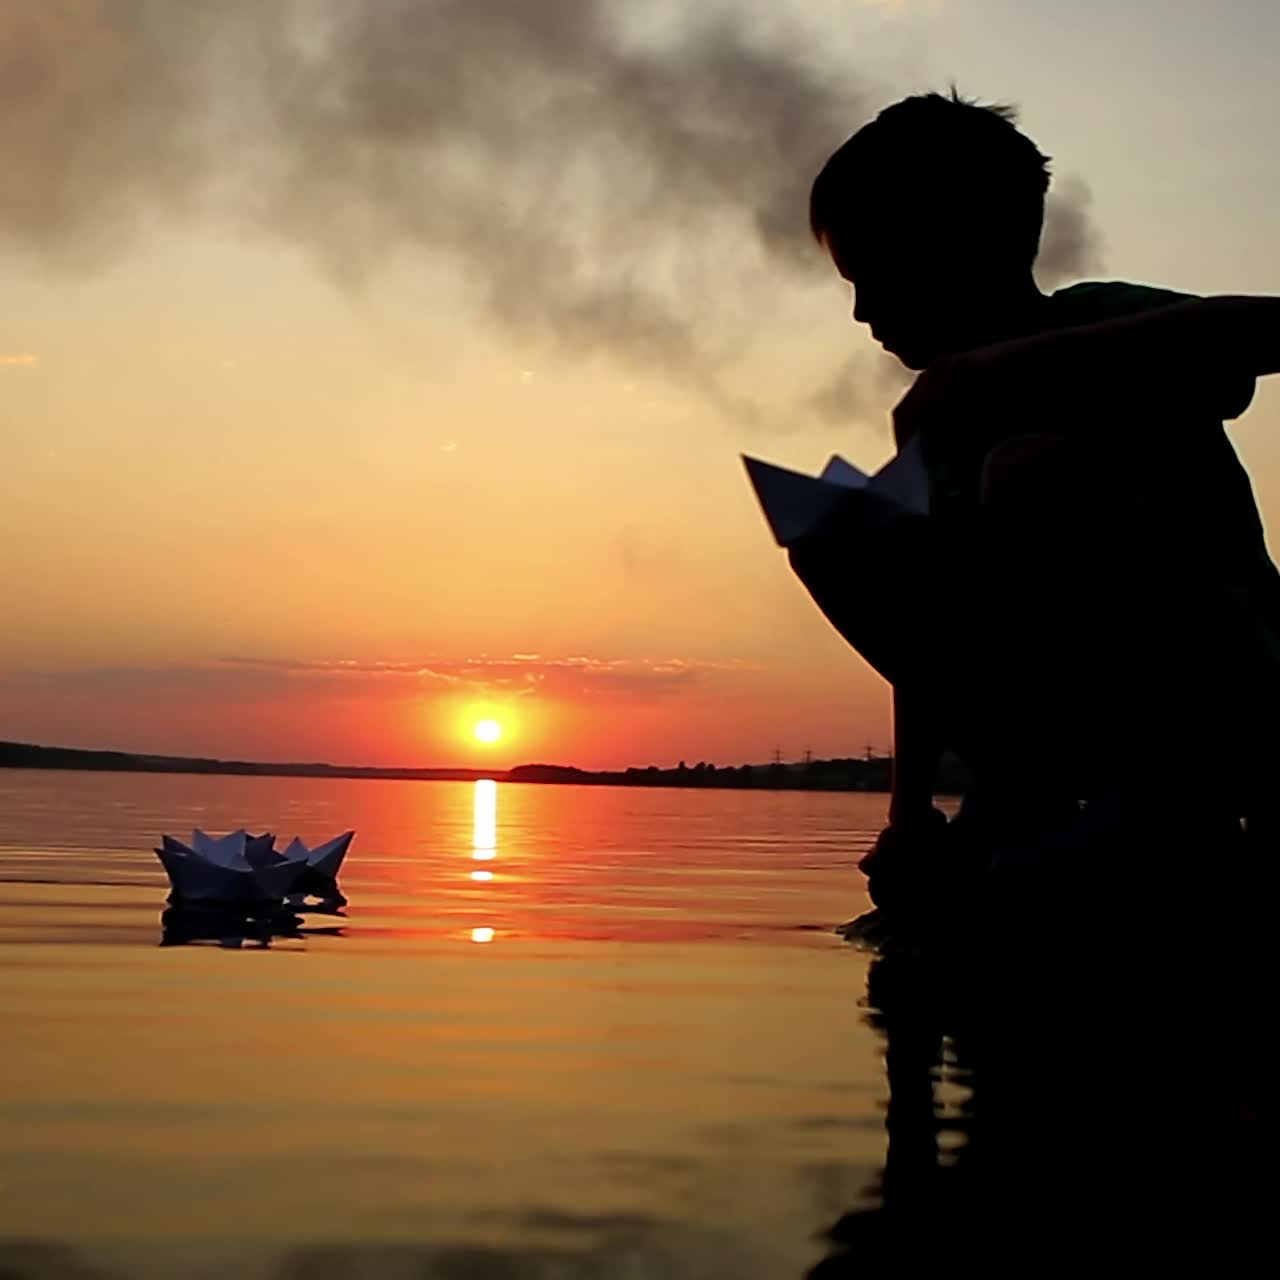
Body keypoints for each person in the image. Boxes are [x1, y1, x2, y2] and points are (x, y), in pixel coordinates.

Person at [789, 90, 1280, 909]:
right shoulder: (940, 429)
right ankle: (1022, 798)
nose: (864, 310)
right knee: (842, 531)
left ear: (971, 246)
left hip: (1220, 697)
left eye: (878, 275)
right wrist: (908, 815)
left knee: (1029, 469)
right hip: (1058, 725)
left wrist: (1001, 368)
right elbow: (927, 634)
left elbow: (1261, 334)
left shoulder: (1104, 323)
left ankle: (1169, 812)